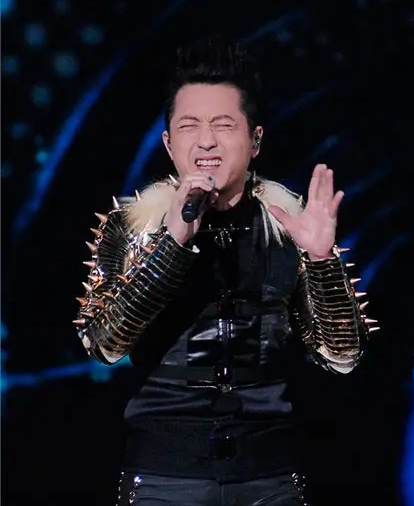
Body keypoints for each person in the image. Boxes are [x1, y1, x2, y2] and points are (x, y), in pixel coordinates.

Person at [73, 36, 376, 505]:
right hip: (163, 480)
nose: (207, 140)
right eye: (189, 126)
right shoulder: (133, 226)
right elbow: (104, 345)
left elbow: (343, 356)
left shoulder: (288, 225)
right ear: (169, 143)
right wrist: (172, 241)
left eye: (223, 125)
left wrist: (320, 260)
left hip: (269, 481)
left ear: (255, 141)